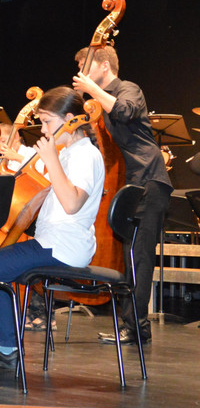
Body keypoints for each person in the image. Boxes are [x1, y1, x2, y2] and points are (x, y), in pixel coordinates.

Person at [0, 86, 105, 373]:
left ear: (69, 119)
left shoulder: (86, 155)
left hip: (63, 247)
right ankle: (7, 349)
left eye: (47, 121)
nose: (43, 130)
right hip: (53, 242)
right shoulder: (70, 153)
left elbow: (72, 203)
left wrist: (51, 160)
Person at [73, 45, 172, 345]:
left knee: (140, 257)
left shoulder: (129, 89)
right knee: (131, 257)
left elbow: (125, 111)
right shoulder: (101, 102)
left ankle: (135, 326)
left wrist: (92, 90)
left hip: (149, 179)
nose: (80, 72)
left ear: (104, 66)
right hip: (131, 184)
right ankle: (136, 326)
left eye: (85, 66)